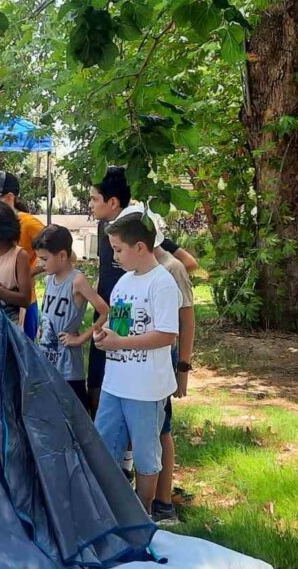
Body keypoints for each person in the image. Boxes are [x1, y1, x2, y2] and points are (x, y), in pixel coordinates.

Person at [88, 166, 199, 416]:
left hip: (145, 348)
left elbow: (185, 264)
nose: (90, 205)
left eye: (95, 199)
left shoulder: (143, 234)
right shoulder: (105, 230)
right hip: (111, 330)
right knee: (102, 399)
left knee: (151, 423)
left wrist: (161, 285)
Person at [93, 213, 180, 517]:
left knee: (145, 457)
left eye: (118, 250)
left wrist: (120, 343)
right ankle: (111, 513)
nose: (114, 256)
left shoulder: (163, 283)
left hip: (146, 389)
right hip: (115, 384)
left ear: (140, 247)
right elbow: (120, 326)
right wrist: (105, 337)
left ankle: (143, 513)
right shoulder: (123, 283)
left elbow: (168, 335)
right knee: (104, 449)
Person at [32, 225, 110, 406]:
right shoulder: (49, 278)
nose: (41, 264)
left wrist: (81, 338)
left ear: (61, 256)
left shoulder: (77, 280)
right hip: (47, 358)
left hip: (68, 366)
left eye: (44, 259)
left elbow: (105, 311)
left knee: (75, 412)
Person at [0, 171, 45, 340]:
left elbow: (62, 253)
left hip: (20, 311)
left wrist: (28, 273)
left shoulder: (28, 223)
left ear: (10, 198)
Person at [153, 249, 196, 524]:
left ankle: (164, 502)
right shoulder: (134, 268)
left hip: (162, 361)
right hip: (138, 366)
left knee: (162, 428)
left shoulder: (173, 268)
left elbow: (186, 320)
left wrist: (183, 369)